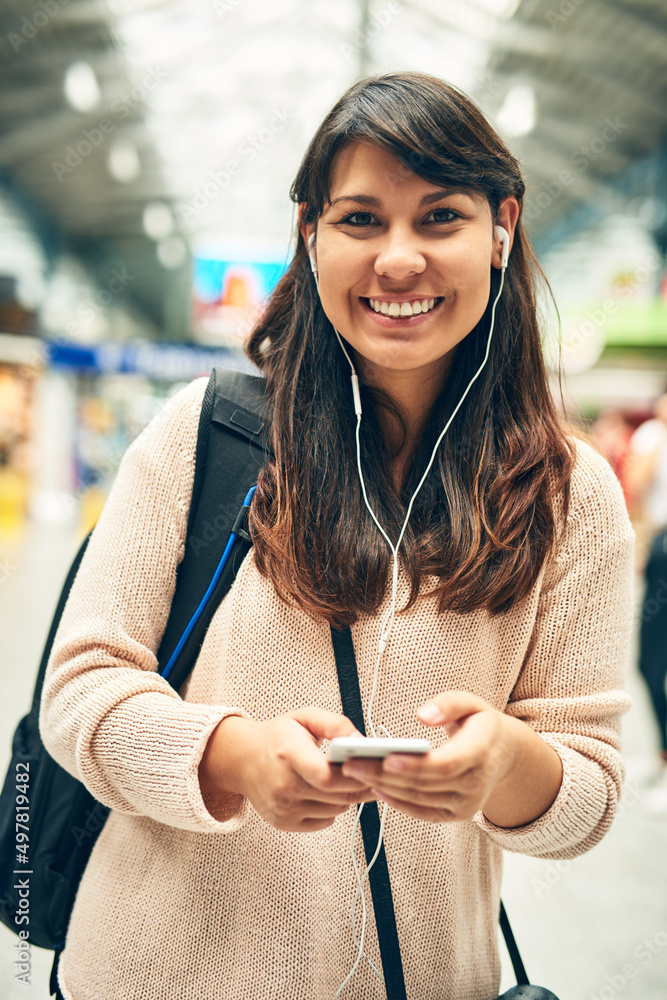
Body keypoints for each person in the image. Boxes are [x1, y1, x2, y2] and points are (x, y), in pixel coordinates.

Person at [40, 71, 635, 1000]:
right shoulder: (206, 437)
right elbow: (78, 697)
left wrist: (503, 767)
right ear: (311, 236)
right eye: (360, 220)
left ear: (502, 228)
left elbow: (588, 791)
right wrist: (233, 756)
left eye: (439, 217)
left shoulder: (569, 494)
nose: (398, 260)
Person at [626, 393, 667, 812]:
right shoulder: (653, 435)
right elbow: (635, 485)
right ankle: (661, 755)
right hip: (662, 547)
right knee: (650, 664)